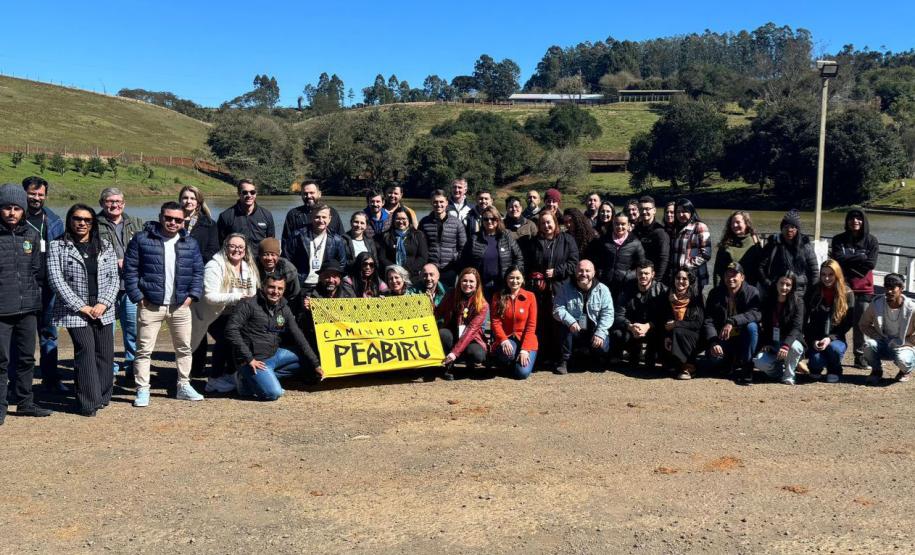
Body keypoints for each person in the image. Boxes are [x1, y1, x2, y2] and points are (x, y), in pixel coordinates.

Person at [124, 201, 205, 406]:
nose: (172, 223)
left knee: (184, 348)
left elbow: (198, 271)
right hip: (150, 304)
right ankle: (142, 390)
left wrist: (192, 296)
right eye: (168, 218)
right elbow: (130, 269)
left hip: (180, 306)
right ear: (161, 217)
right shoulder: (142, 239)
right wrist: (137, 296)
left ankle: (183, 385)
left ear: (183, 221)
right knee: (144, 350)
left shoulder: (190, 242)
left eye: (177, 220)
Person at [47, 204, 119, 416]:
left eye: (87, 220)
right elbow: (56, 280)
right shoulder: (57, 246)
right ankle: (88, 402)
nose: (82, 223)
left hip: (102, 307)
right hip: (74, 310)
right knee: (86, 351)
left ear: (92, 223)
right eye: (77, 219)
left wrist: (103, 303)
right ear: (70, 220)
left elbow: (114, 278)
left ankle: (103, 395)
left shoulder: (105, 245)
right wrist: (82, 306)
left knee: (105, 353)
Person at [0, 183, 52, 422]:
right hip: (2, 309)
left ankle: (24, 402)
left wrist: (33, 297)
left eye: (16, 208)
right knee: (2, 360)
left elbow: (35, 270)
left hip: (28, 308)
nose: (12, 213)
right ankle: (1, 407)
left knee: (27, 358)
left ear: (23, 210)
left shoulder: (31, 234)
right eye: (7, 208)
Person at [225, 275, 323, 401]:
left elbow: (299, 336)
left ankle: (258, 378)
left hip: (274, 354)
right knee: (273, 394)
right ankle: (244, 380)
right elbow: (230, 330)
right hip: (253, 360)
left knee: (308, 361)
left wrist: (316, 364)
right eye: (271, 287)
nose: (276, 291)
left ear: (284, 290)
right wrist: (249, 359)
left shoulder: (284, 307)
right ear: (263, 287)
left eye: (280, 288)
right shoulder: (248, 304)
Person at [191, 234, 258, 394]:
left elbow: (252, 291)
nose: (237, 250)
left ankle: (230, 374)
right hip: (211, 313)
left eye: (241, 247)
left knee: (239, 339)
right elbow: (210, 297)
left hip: (234, 312)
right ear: (225, 246)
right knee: (226, 338)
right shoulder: (214, 266)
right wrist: (238, 297)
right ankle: (214, 379)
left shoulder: (248, 267)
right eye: (232, 246)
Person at [17, 176, 65, 392]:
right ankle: (16, 383)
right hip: (21, 288)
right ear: (24, 193)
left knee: (49, 334)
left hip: (48, 288)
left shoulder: (54, 220)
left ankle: (51, 379)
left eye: (40, 194)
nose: (36, 198)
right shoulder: (14, 218)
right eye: (32, 193)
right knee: (19, 335)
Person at [520, 210, 579, 366]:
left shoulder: (567, 240)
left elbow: (574, 264)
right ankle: (542, 356)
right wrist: (534, 276)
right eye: (543, 223)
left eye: (549, 222)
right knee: (541, 323)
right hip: (539, 290)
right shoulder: (534, 243)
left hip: (561, 288)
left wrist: (557, 271)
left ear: (555, 222)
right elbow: (527, 265)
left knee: (559, 323)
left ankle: (561, 359)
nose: (546, 226)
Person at [97, 187, 144, 376]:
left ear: (123, 203)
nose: (114, 205)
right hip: (104, 287)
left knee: (132, 327)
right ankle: (107, 365)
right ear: (102, 203)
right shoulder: (93, 223)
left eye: (118, 201)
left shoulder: (136, 223)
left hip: (130, 286)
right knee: (105, 328)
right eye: (110, 201)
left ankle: (132, 364)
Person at [830, 208, 879, 368]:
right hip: (843, 287)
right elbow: (837, 259)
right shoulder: (839, 239)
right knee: (840, 321)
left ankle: (860, 356)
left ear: (864, 221)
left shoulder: (871, 241)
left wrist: (848, 261)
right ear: (847, 221)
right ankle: (835, 352)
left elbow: (870, 264)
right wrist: (860, 257)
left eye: (859, 218)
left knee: (861, 324)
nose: (855, 221)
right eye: (851, 218)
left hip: (864, 289)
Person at [703, 262, 761, 386]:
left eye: (734, 275)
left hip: (744, 339)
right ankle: (729, 361)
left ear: (742, 277)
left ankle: (747, 367)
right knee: (714, 360)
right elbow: (708, 320)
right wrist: (713, 341)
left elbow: (756, 314)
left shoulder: (752, 292)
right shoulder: (715, 293)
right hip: (723, 338)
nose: (731, 279)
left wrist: (732, 321)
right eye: (728, 275)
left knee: (752, 326)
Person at [552, 260, 614, 375]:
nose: (583, 274)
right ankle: (564, 360)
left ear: (594, 273)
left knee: (602, 346)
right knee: (563, 325)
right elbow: (557, 309)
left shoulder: (603, 290)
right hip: (575, 330)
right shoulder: (564, 288)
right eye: (580, 271)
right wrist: (570, 321)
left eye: (587, 271)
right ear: (575, 272)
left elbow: (608, 313)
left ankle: (595, 357)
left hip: (594, 330)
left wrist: (600, 333)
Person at [805, 259, 855, 383]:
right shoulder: (813, 291)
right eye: (823, 275)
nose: (826, 278)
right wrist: (813, 340)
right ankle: (815, 366)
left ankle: (834, 368)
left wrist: (830, 338)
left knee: (834, 349)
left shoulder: (847, 293)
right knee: (816, 363)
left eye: (830, 275)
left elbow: (848, 322)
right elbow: (805, 320)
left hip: (836, 338)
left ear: (837, 274)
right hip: (816, 336)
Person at [859, 273, 914, 385]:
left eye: (893, 288)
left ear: (901, 289)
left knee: (904, 360)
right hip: (883, 342)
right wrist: (876, 336)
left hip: (903, 345)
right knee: (868, 345)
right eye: (887, 288)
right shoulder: (876, 304)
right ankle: (876, 371)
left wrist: (908, 342)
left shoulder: (912, 308)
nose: (889, 291)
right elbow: (863, 324)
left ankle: (905, 371)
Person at [752, 272, 806, 386]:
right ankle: (779, 374)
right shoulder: (768, 300)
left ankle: (789, 376)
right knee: (759, 362)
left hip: (790, 342)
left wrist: (786, 345)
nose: (784, 287)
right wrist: (766, 342)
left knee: (795, 347)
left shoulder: (798, 302)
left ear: (793, 286)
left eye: (788, 285)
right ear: (776, 283)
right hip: (773, 342)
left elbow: (797, 328)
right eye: (781, 283)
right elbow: (765, 325)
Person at [435, 268, 489, 380]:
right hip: (452, 334)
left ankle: (469, 364)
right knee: (443, 334)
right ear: (459, 281)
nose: (467, 284)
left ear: (477, 284)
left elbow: (471, 330)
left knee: (477, 355)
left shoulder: (482, 304)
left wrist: (454, 353)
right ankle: (449, 366)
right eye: (464, 281)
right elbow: (438, 313)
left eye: (471, 281)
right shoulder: (451, 294)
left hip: (472, 338)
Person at [611, 262, 666, 368]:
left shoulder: (662, 290)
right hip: (632, 328)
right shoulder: (627, 289)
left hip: (653, 329)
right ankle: (618, 356)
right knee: (617, 333)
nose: (643, 276)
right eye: (640, 273)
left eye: (646, 273)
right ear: (636, 273)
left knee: (650, 364)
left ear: (653, 274)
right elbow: (618, 315)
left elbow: (664, 316)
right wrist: (630, 326)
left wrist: (647, 326)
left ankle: (658, 357)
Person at [285, 204, 347, 297]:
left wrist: (332, 283)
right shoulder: (297, 236)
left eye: (324, 217)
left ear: (329, 219)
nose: (321, 220)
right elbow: (287, 260)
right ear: (311, 218)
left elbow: (341, 264)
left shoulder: (337, 240)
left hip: (324, 286)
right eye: (317, 217)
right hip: (301, 284)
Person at [462, 205, 523, 299]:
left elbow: (518, 257)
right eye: (486, 219)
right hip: (480, 285)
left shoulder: (506, 237)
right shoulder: (474, 238)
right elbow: (464, 261)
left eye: (493, 218)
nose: (489, 221)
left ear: (498, 219)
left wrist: (515, 276)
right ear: (482, 221)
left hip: (502, 285)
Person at [490, 267, 538, 379]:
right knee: (507, 353)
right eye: (511, 278)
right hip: (507, 339)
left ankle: (517, 361)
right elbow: (495, 322)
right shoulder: (497, 296)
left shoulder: (530, 297)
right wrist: (503, 340)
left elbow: (531, 325)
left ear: (523, 280)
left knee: (522, 374)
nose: (514, 281)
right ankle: (505, 361)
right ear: (506, 279)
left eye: (517, 278)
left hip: (526, 340)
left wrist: (525, 350)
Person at [759, 209, 819, 297]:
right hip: (776, 291)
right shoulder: (773, 244)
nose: (789, 230)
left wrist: (810, 292)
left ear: (798, 229)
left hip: (800, 292)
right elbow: (761, 267)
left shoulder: (805, 246)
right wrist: (768, 284)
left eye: (793, 227)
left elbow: (814, 272)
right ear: (781, 228)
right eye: (786, 226)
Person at [586, 211, 646, 299]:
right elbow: (595, 259)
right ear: (613, 224)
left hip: (624, 286)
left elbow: (642, 265)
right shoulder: (603, 240)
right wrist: (600, 272)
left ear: (628, 225)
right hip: (604, 283)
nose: (620, 227)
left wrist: (628, 275)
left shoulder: (635, 243)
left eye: (623, 224)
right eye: (617, 224)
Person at [659, 269, 705, 380]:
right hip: (673, 335)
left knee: (678, 331)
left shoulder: (697, 297)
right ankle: (674, 363)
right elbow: (662, 319)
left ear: (690, 281)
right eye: (678, 278)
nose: (680, 281)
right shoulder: (667, 296)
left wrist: (676, 324)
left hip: (693, 337)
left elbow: (697, 324)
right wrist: (667, 336)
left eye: (684, 279)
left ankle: (689, 367)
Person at [419, 189, 467, 285]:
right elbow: (420, 246)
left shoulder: (456, 223)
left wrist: (456, 263)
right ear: (431, 203)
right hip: (430, 269)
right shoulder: (424, 222)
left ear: (446, 203)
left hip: (450, 269)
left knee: (448, 297)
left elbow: (463, 247)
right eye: (435, 202)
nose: (438, 204)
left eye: (441, 202)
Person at [281, 181, 344, 253]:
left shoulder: (332, 212)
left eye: (312, 193)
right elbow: (286, 241)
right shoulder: (293, 214)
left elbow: (341, 237)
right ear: (301, 195)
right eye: (305, 193)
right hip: (301, 258)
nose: (308, 196)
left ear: (319, 194)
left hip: (327, 258)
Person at [216, 179, 275, 248]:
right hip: (236, 257)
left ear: (256, 194)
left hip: (258, 258)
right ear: (238, 193)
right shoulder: (225, 216)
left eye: (252, 192)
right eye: (245, 192)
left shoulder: (267, 215)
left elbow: (271, 243)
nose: (249, 195)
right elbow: (220, 244)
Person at [713, 210, 762, 288]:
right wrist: (718, 290)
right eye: (732, 223)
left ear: (746, 223)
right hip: (729, 289)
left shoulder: (755, 242)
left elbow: (760, 269)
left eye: (738, 222)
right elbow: (718, 272)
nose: (734, 225)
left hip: (750, 290)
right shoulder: (725, 245)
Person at [376, 207, 428, 280]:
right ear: (393, 220)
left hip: (412, 275)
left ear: (409, 219)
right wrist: (396, 270)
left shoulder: (418, 235)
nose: (401, 221)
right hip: (392, 277)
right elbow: (382, 257)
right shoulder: (386, 236)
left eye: (404, 219)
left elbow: (422, 257)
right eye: (398, 219)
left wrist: (407, 270)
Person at [670, 199, 711, 290]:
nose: (681, 215)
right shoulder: (675, 229)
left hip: (694, 277)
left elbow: (706, 255)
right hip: (677, 277)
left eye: (684, 211)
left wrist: (686, 266)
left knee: (695, 302)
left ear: (691, 212)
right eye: (678, 212)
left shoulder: (700, 227)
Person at [633, 196, 671, 281]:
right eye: (641, 209)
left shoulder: (661, 232)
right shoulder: (636, 230)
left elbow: (664, 258)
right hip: (638, 276)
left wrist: (657, 281)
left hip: (654, 278)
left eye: (647, 209)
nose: (644, 212)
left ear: (654, 211)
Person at [179, 185, 219, 263]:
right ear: (180, 200)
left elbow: (213, 250)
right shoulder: (172, 221)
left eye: (192, 198)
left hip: (199, 269)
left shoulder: (209, 223)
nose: (188, 201)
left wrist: (195, 261)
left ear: (198, 202)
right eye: (185, 198)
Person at [256, 238, 300, 305]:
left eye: (273, 254)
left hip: (281, 302)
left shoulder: (288, 269)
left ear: (278, 256)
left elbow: (294, 293)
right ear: (259, 256)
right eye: (265, 254)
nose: (269, 258)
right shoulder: (253, 267)